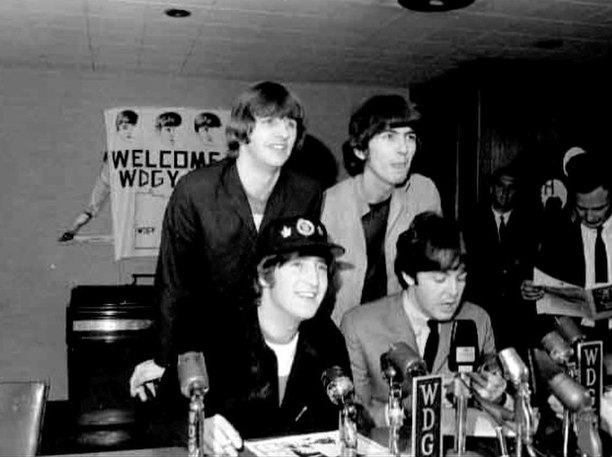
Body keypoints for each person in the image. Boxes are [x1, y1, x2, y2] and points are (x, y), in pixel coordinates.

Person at [129, 81, 324, 400]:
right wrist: (163, 358)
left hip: (271, 345)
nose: (284, 133)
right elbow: (172, 281)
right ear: (243, 129)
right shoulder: (196, 190)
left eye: (290, 123)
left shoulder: (307, 192)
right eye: (271, 122)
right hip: (207, 347)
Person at [153, 216, 350, 455]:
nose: (314, 281)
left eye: (321, 268)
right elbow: (159, 419)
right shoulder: (212, 335)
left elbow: (340, 421)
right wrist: (196, 427)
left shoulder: (327, 340)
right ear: (263, 276)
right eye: (298, 266)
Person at [340, 212, 503, 426]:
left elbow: (497, 409)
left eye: (461, 279)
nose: (453, 292)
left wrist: (497, 394)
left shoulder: (478, 320)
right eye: (439, 280)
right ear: (408, 275)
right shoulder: (359, 325)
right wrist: (416, 404)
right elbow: (354, 415)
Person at [322, 94, 441, 326]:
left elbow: (434, 272)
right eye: (389, 137)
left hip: (402, 332)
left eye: (410, 137)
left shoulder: (423, 193)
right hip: (339, 336)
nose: (404, 149)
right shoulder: (328, 205)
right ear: (360, 150)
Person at [521, 150, 612, 341]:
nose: (590, 217)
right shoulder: (559, 237)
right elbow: (540, 296)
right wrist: (529, 291)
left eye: (599, 208)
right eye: (582, 209)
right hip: (577, 340)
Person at [463, 165, 538, 352]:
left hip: (518, 316)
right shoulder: (471, 222)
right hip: (481, 311)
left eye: (511, 187)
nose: (505, 192)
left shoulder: (531, 224)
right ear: (491, 188)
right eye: (500, 186)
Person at [58, 110, 140, 241]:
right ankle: (71, 231)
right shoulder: (118, 144)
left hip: (116, 181)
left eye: (131, 127)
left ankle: (71, 232)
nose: (128, 131)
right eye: (124, 127)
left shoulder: (120, 143)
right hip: (111, 181)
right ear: (119, 127)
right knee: (92, 210)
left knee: (128, 208)